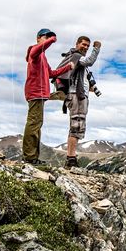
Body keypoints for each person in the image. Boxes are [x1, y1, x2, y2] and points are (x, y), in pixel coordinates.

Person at [22, 28, 73, 164]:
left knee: (37, 124)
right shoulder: (34, 51)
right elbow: (37, 50)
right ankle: (30, 158)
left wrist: (67, 67)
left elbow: (52, 73)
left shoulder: (43, 57)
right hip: (35, 93)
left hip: (40, 94)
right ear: (38, 38)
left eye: (48, 37)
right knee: (34, 124)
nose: (48, 39)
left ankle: (33, 157)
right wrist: (52, 39)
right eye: (45, 36)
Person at [53, 36, 101, 167]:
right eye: (84, 44)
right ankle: (71, 159)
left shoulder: (78, 60)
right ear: (77, 44)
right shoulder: (77, 57)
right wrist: (96, 48)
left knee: (77, 125)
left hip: (79, 95)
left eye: (88, 45)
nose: (85, 47)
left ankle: (71, 157)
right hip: (76, 95)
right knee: (76, 126)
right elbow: (90, 61)